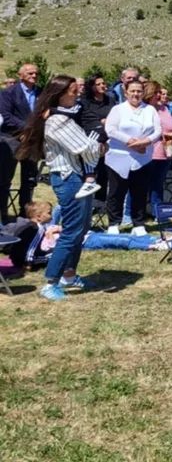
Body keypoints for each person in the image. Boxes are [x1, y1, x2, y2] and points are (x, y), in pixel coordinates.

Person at [16, 75, 103, 300]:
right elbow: (84, 147)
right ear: (60, 94)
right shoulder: (57, 121)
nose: (78, 94)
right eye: (73, 91)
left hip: (77, 176)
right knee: (71, 231)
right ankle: (51, 282)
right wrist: (102, 145)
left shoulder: (65, 116)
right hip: (69, 178)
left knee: (81, 230)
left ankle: (69, 275)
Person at [104, 79, 161, 236]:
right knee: (116, 191)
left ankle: (138, 224)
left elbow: (157, 131)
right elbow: (111, 130)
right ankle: (114, 223)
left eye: (139, 91)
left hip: (143, 157)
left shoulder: (150, 110)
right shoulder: (117, 109)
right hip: (118, 158)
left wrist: (145, 142)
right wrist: (131, 142)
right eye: (133, 91)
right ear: (126, 92)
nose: (136, 94)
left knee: (139, 192)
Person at [0, 63, 43, 215]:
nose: (34, 76)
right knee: (4, 178)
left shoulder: (41, 92)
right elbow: (7, 116)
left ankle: (25, 213)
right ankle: (2, 214)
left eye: (36, 73)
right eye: (30, 73)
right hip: (11, 139)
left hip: (32, 141)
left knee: (30, 179)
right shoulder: (8, 93)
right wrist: (26, 128)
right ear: (20, 76)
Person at [144, 82, 172, 223]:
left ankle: (158, 214)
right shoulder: (145, 109)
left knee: (158, 185)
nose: (159, 95)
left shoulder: (165, 109)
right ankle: (130, 214)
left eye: (160, 92)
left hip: (165, 153)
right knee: (140, 185)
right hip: (149, 152)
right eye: (157, 92)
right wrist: (163, 134)